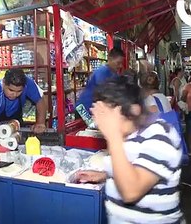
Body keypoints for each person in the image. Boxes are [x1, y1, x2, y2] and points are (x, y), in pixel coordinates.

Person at [74, 76, 183, 223]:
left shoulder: (161, 135)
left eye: (106, 116)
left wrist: (113, 136)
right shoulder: (128, 135)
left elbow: (131, 191)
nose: (100, 124)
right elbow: (134, 165)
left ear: (133, 111)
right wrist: (106, 174)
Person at [0, 69, 47, 165]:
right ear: (3, 83)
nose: (14, 94)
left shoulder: (28, 83)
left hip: (16, 122)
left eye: (19, 91)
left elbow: (40, 99)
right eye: (10, 90)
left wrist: (40, 122)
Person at [75, 48, 124, 113]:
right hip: (83, 109)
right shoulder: (101, 72)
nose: (120, 66)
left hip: (94, 110)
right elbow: (104, 93)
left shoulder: (115, 74)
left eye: (121, 63)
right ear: (110, 59)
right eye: (118, 63)